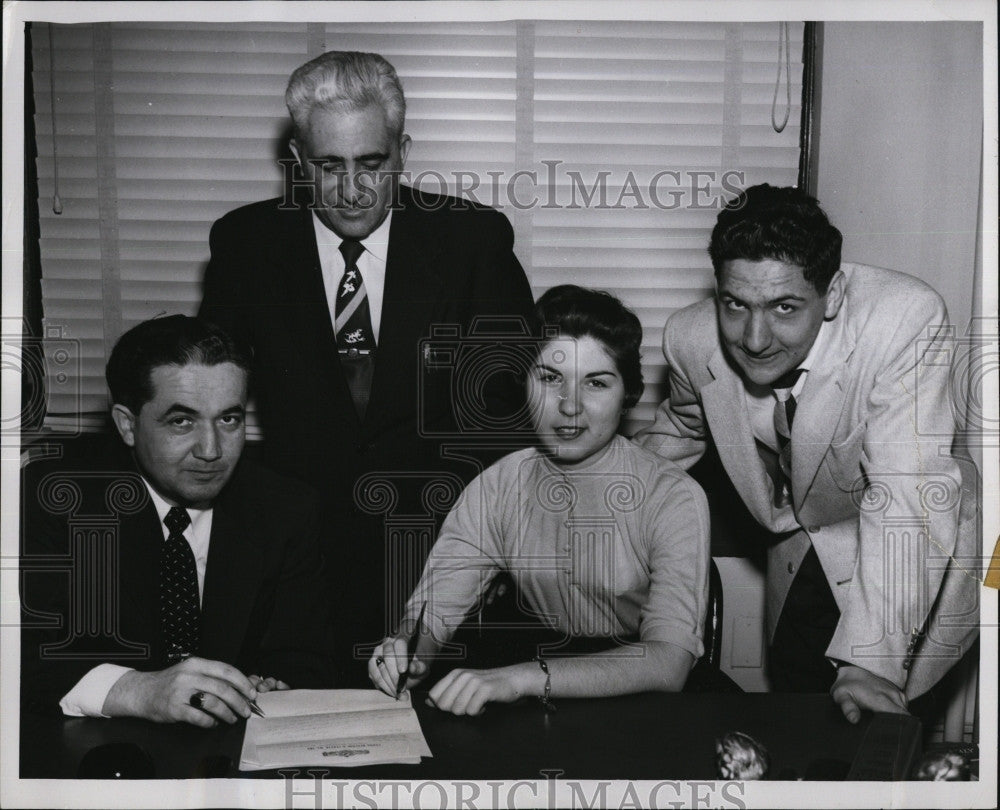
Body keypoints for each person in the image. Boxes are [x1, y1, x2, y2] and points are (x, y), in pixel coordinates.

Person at [199, 51, 534, 682]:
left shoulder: (473, 241)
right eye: (329, 166)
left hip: (442, 560)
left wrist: (486, 556)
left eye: (371, 164)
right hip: (300, 574)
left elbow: (510, 421)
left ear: (402, 151)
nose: (351, 189)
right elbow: (211, 395)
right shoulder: (246, 246)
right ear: (298, 160)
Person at [636, 184, 979, 722]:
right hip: (799, 549)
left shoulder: (904, 320)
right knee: (800, 725)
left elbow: (906, 493)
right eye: (735, 304)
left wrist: (870, 662)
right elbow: (681, 429)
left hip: (911, 559)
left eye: (784, 307)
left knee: (881, 737)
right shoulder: (690, 337)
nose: (753, 338)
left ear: (834, 294)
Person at [368, 286, 711, 715]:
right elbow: (435, 610)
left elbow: (668, 662)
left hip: (636, 697)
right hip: (529, 671)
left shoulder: (672, 495)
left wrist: (522, 678)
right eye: (550, 378)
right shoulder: (498, 486)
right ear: (523, 385)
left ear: (628, 395)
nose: (570, 407)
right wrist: (411, 651)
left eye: (597, 383)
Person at [20, 316, 334, 725]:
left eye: (229, 419)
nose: (211, 450)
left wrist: (277, 685)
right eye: (181, 421)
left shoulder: (286, 509)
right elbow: (22, 656)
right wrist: (137, 690)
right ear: (127, 425)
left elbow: (307, 656)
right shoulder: (53, 503)